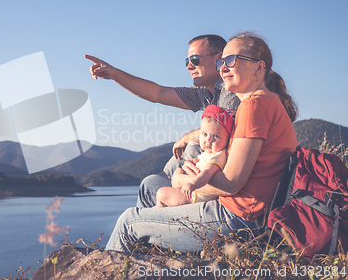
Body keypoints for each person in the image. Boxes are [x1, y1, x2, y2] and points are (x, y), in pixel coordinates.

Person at [105, 31, 298, 253]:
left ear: (258, 67)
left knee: (129, 222)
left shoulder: (254, 104)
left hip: (238, 217)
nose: (223, 67)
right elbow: (158, 93)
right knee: (151, 186)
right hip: (237, 208)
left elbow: (232, 183)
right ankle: (152, 253)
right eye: (221, 62)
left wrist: (182, 180)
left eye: (230, 60)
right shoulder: (257, 102)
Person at [85, 34, 240, 208]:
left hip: (213, 187)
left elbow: (233, 126)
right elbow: (157, 93)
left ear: (219, 58)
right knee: (153, 181)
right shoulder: (203, 93)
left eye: (195, 60)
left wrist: (186, 138)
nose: (189, 66)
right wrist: (115, 74)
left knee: (155, 179)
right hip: (197, 180)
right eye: (187, 61)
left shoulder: (230, 90)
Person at [155, 105, 234, 207]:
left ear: (227, 139)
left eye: (216, 136)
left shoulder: (216, 157)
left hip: (196, 196)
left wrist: (193, 184)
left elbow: (206, 174)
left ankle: (157, 210)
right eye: (205, 134)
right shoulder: (209, 154)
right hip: (193, 192)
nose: (208, 140)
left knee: (161, 194)